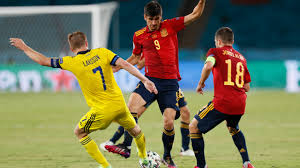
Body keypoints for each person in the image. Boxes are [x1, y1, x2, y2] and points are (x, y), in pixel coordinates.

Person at [10, 31, 158, 168]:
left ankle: (105, 166)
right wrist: (145, 80)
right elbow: (125, 64)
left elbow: (43, 61)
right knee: (137, 132)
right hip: (119, 105)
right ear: (86, 43)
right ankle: (144, 159)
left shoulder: (72, 62)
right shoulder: (102, 52)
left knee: (79, 132)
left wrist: (24, 47)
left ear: (71, 47)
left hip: (102, 110)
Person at [104, 1, 206, 167]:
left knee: (168, 122)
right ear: (145, 17)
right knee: (131, 107)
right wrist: (117, 67)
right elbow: (136, 58)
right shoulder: (139, 36)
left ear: (161, 17)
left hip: (170, 84)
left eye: (157, 19)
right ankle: (126, 145)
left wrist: (202, 1)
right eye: (150, 19)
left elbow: (195, 15)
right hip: (149, 80)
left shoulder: (170, 26)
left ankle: (167, 156)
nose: (153, 22)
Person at [100, 57, 194, 157]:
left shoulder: (165, 44)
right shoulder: (148, 44)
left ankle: (185, 148)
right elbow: (139, 64)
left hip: (168, 83)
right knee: (134, 113)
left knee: (185, 112)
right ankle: (114, 141)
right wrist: (147, 59)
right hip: (152, 82)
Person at [189, 27, 255, 168]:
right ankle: (247, 162)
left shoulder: (215, 52)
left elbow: (208, 66)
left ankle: (201, 166)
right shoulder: (241, 58)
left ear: (218, 41)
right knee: (233, 127)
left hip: (223, 102)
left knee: (193, 127)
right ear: (232, 41)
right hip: (240, 103)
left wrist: (201, 83)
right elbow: (247, 87)